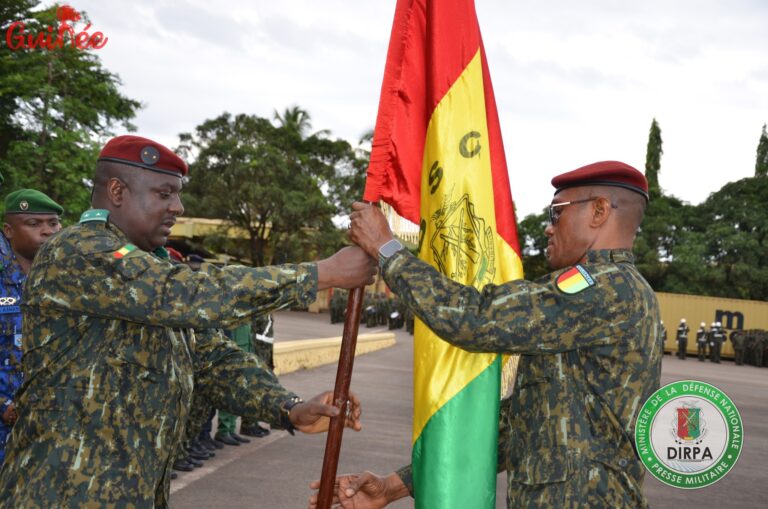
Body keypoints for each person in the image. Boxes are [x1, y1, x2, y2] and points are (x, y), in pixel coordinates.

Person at [0, 135, 375, 508]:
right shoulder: (78, 251)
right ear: (117, 191)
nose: (177, 207)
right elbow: (189, 293)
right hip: (60, 496)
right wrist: (319, 274)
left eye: (177, 195)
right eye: (164, 193)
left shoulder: (148, 269)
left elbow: (211, 359)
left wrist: (288, 407)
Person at [316, 161, 662, 508]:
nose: (548, 228)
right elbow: (517, 426)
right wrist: (394, 486)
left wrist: (387, 250)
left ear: (599, 211)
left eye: (556, 213)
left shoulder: (607, 289)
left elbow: (474, 318)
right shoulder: (605, 293)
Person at [0, 189, 62, 464]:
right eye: (34, 224)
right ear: (9, 230)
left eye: (53, 223)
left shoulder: (66, 279)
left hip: (51, 422)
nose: (47, 231)